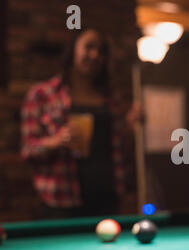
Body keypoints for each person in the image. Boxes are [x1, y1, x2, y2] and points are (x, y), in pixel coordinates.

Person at [21, 29, 140, 218]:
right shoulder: (42, 94)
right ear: (72, 50)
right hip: (62, 201)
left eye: (101, 51)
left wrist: (131, 127)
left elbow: (118, 148)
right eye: (89, 47)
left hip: (107, 198)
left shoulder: (111, 100)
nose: (95, 55)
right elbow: (28, 150)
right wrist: (57, 140)